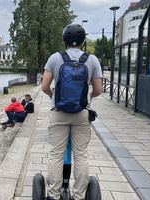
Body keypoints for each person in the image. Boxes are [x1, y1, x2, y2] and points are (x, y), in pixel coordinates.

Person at [41, 24, 102, 200]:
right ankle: (79, 195)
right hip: (82, 112)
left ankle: (53, 195)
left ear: (64, 41)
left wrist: (54, 97)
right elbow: (98, 90)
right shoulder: (92, 60)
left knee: (56, 154)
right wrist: (87, 98)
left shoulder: (54, 58)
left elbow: (44, 86)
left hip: (59, 111)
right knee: (81, 154)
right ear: (83, 41)